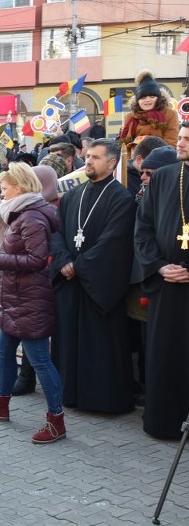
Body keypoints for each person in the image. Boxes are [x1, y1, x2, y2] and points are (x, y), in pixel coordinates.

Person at [0, 164, 65, 443]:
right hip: (16, 295)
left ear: (21, 187)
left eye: (5, 188)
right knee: (4, 351)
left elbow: (37, 260)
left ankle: (56, 420)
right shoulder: (19, 212)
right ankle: (1, 405)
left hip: (30, 297)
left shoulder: (31, 217)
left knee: (39, 360)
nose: (1, 193)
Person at [50, 139, 136, 414]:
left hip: (98, 286)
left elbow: (113, 242)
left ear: (111, 163)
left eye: (95, 158)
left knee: (98, 345)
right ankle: (69, 394)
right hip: (70, 283)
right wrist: (63, 260)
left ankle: (100, 400)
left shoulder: (121, 199)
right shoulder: (72, 195)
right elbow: (57, 232)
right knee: (68, 341)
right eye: (87, 156)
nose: (88, 161)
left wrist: (79, 266)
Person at [134, 121, 189, 439]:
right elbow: (143, 229)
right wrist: (158, 266)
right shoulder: (164, 177)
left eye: (186, 139)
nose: (179, 143)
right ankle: (164, 422)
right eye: (180, 137)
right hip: (166, 286)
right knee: (165, 355)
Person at [119, 70, 180, 149]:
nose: (147, 100)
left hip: (161, 155)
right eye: (143, 98)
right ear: (138, 100)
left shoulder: (170, 114)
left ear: (158, 98)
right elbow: (125, 146)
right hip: (136, 155)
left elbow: (171, 142)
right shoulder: (130, 117)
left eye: (152, 97)